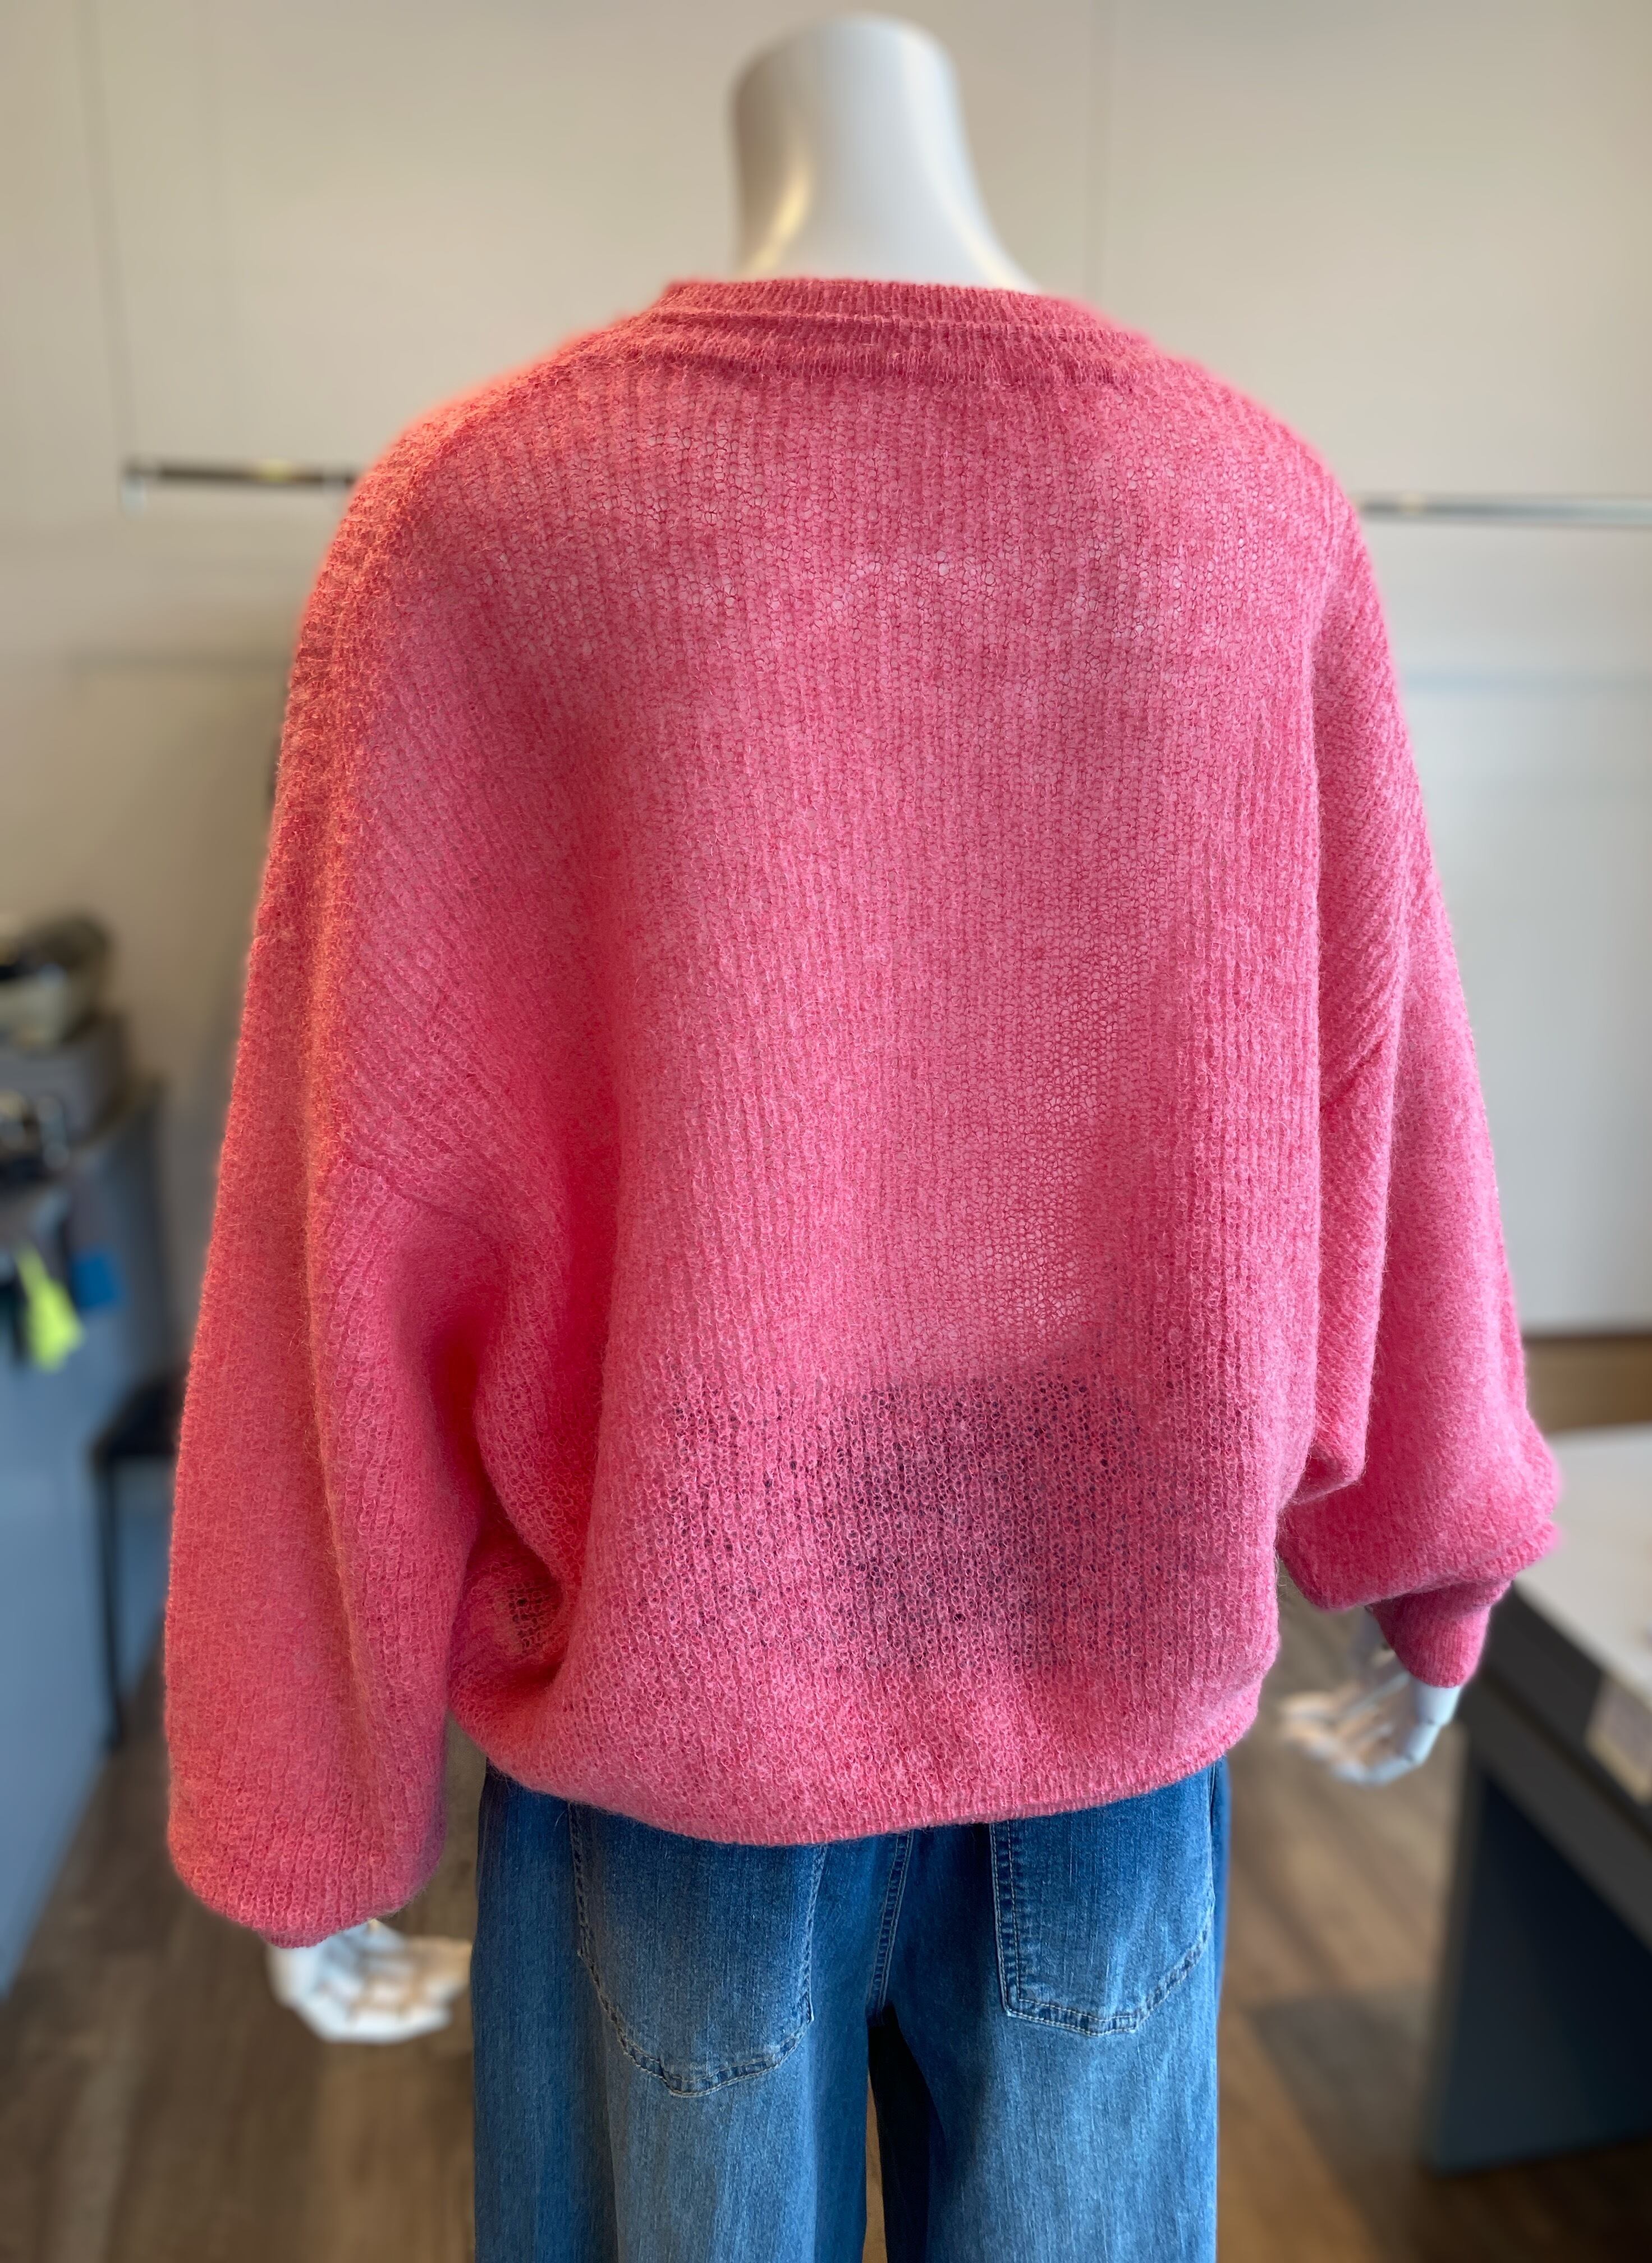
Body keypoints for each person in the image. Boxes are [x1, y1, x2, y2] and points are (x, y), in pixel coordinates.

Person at [162, 17, 1558, 2258]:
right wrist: (1433, 1547)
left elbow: (341, 1204)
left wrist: (305, 1785)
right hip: (1092, 1669)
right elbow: (1382, 1101)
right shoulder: (1249, 510)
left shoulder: (484, 520)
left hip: (680, 1717)